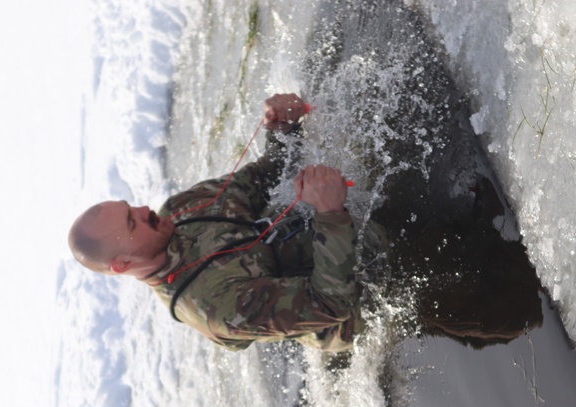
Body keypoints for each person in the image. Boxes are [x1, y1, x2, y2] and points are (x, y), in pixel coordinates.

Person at [69, 93, 362, 352]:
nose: (145, 209)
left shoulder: (179, 209)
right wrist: (330, 213)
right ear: (123, 264)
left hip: (328, 230)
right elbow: (331, 304)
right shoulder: (214, 307)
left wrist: (282, 127)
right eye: (133, 223)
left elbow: (265, 177)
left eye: (130, 207)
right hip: (361, 300)